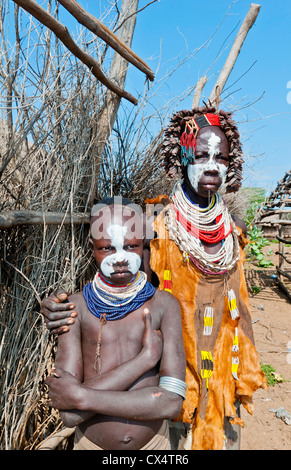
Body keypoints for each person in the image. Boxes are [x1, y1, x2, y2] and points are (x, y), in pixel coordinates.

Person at [41, 105, 268, 450]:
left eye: (220, 157)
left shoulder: (234, 230)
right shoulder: (154, 224)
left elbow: (239, 307)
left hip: (222, 373)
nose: (211, 165)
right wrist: (57, 308)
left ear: (230, 162)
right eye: (200, 154)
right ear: (182, 158)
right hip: (167, 377)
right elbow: (120, 286)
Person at [45, 198, 186, 450]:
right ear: (92, 248)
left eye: (130, 246)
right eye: (107, 248)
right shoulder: (75, 308)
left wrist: (82, 396)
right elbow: (68, 415)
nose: (119, 258)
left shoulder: (164, 305)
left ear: (143, 245)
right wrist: (144, 360)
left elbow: (171, 403)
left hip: (155, 446)